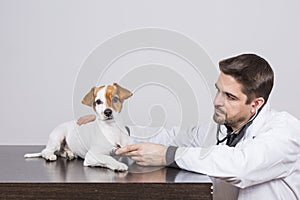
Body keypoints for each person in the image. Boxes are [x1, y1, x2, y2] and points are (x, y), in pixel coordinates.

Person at [78, 54, 300, 200]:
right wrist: (113, 129)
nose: (217, 101)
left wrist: (169, 155)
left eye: (229, 96)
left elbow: (240, 166)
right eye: (218, 90)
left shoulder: (285, 133)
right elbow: (173, 136)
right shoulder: (224, 127)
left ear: (256, 104)